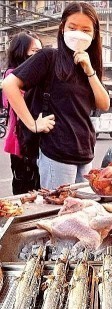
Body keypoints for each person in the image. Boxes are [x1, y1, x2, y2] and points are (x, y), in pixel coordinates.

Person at [3, 2, 109, 190]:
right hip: (57, 154)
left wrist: (90, 71)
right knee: (59, 214)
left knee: (82, 214)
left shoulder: (89, 64)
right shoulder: (48, 57)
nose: (78, 33)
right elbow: (9, 84)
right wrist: (33, 124)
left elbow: (104, 104)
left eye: (86, 30)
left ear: (94, 34)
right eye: (72, 27)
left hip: (85, 153)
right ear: (62, 28)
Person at [2, 31, 42, 195]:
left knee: (39, 187)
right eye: (35, 51)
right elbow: (11, 101)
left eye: (41, 50)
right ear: (21, 52)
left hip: (36, 141)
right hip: (22, 142)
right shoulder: (12, 76)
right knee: (24, 188)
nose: (40, 56)